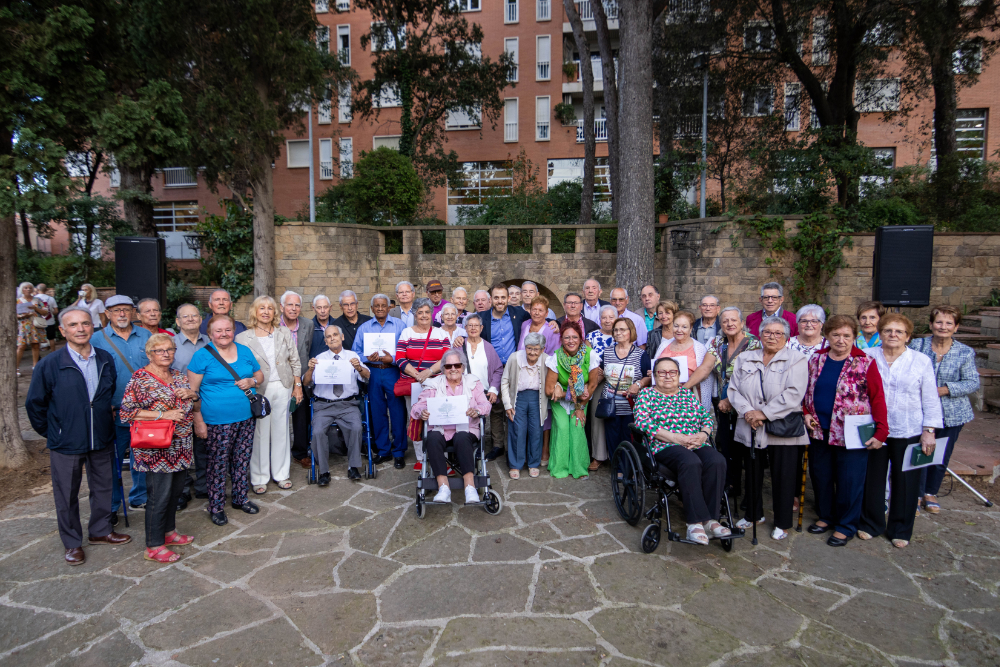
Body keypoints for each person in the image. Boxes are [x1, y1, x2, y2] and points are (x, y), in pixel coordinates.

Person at [25, 307, 131, 566]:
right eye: (73, 325)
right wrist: (54, 432)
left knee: (104, 487)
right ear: (63, 331)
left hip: (102, 436)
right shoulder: (50, 363)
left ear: (92, 327)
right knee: (67, 494)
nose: (80, 329)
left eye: (85, 323)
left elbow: (106, 395)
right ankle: (72, 543)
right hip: (66, 441)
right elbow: (34, 404)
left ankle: (100, 531)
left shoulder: (104, 358)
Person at [802, 315, 889, 547]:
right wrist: (806, 413)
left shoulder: (865, 362)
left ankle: (846, 525)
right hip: (819, 430)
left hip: (851, 433)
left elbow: (878, 398)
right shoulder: (816, 359)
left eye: (847, 336)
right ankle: (826, 516)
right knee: (821, 477)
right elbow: (806, 391)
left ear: (854, 337)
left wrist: (881, 431)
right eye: (836, 335)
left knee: (849, 480)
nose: (841, 340)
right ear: (828, 336)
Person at [859, 314, 943, 548]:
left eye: (899, 331)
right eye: (887, 330)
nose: (893, 335)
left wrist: (929, 430)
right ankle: (871, 523)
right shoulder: (868, 356)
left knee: (905, 480)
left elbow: (930, 397)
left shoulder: (921, 361)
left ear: (908, 336)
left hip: (909, 428)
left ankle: (900, 529)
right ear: (880, 333)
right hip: (875, 429)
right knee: (873, 478)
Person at [633, 357, 730, 545]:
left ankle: (710, 520)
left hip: (695, 442)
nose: (667, 376)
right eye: (662, 372)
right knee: (690, 462)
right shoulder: (646, 395)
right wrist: (676, 438)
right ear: (654, 375)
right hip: (665, 445)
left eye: (672, 372)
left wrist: (703, 434)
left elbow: (706, 417)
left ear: (679, 375)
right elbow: (643, 423)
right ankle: (694, 523)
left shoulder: (686, 395)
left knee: (717, 460)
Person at [728, 316, 809, 540]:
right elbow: (734, 389)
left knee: (783, 475)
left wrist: (764, 413)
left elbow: (794, 393)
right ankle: (754, 514)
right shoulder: (745, 358)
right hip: (750, 424)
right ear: (760, 335)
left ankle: (782, 523)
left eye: (778, 333)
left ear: (786, 336)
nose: (772, 337)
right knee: (752, 472)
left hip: (782, 427)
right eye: (767, 333)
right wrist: (748, 412)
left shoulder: (796, 359)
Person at [120, 334, 199, 563]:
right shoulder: (141, 379)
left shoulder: (178, 376)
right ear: (149, 354)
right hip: (157, 450)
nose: (166, 354)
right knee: (159, 496)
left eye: (169, 349)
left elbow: (194, 405)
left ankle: (169, 532)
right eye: (159, 350)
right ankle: (153, 546)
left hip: (181, 445)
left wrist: (192, 394)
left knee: (175, 493)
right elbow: (127, 412)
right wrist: (163, 415)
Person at [186, 315, 264, 526]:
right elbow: (192, 392)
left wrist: (252, 381)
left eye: (228, 329)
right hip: (216, 421)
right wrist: (198, 420)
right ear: (210, 333)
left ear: (233, 331)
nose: (224, 334)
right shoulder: (202, 356)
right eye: (218, 330)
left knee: (241, 460)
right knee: (217, 465)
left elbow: (260, 375)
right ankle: (216, 506)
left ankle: (240, 498)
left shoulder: (245, 351)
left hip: (246, 418)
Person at [911, 306, 980, 515]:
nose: (943, 327)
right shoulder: (917, 345)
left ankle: (931, 492)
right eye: (939, 322)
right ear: (931, 325)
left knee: (940, 454)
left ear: (956, 327)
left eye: (949, 323)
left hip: (952, 413)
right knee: (918, 451)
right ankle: (916, 492)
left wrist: (945, 389)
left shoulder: (965, 352)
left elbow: (972, 382)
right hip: (919, 410)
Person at [91, 295, 151, 521]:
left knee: (142, 457)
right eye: (116, 311)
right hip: (113, 411)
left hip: (144, 412)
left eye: (126, 310)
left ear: (134, 312)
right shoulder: (97, 340)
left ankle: (140, 496)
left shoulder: (146, 335)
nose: (122, 314)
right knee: (111, 462)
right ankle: (112, 505)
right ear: (107, 314)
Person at [235, 296, 303, 493]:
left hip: (283, 385)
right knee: (260, 433)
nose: (266, 311)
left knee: (281, 430)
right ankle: (259, 478)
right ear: (254, 312)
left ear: (275, 312)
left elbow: (294, 360)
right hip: (258, 390)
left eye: (270, 308)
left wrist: (297, 385)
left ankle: (281, 474)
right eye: (261, 308)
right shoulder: (243, 338)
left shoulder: (284, 332)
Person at [411, 349, 492, 504]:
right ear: (443, 369)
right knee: (432, 438)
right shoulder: (433, 384)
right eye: (448, 366)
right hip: (440, 429)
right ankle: (443, 488)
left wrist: (477, 411)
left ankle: (470, 487)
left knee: (461, 437)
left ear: (463, 367)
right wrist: (422, 412)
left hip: (466, 429)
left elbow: (485, 404)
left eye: (457, 365)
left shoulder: (473, 382)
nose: (453, 369)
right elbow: (417, 406)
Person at [700, 307, 760, 500]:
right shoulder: (718, 342)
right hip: (723, 405)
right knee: (725, 445)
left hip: (746, 404)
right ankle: (730, 485)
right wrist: (683, 388)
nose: (729, 324)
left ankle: (750, 497)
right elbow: (705, 368)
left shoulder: (753, 344)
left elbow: (751, 377)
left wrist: (730, 399)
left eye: (733, 320)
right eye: (725, 321)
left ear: (742, 323)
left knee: (744, 448)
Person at [305, 325, 370, 484]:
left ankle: (353, 467)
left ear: (342, 337)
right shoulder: (319, 358)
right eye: (328, 336)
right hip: (324, 406)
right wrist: (310, 369)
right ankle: (324, 471)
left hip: (348, 405)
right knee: (318, 431)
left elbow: (367, 376)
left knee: (356, 427)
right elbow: (306, 382)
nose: (332, 338)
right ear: (325, 341)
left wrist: (359, 367)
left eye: (335, 335)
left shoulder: (352, 355)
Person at [396, 298, 452, 469]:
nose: (424, 315)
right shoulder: (407, 333)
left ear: (432, 314)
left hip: (437, 383)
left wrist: (429, 372)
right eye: (420, 312)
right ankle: (421, 458)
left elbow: (447, 358)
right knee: (416, 419)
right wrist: (417, 374)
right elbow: (399, 358)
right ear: (414, 314)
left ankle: (443, 459)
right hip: (413, 383)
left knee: (440, 419)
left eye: (427, 312)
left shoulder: (441, 333)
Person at [352, 294, 407, 465]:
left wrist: (394, 357)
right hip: (373, 372)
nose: (381, 308)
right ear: (372, 308)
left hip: (393, 371)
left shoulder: (400, 325)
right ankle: (384, 450)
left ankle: (399, 451)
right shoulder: (364, 328)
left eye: (384, 305)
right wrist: (368, 357)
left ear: (389, 307)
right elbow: (356, 352)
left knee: (397, 412)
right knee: (377, 411)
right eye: (377, 306)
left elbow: (406, 350)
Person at [478, 284, 531, 461]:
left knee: (514, 406)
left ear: (508, 298)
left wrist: (554, 322)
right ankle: (498, 445)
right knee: (495, 407)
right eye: (496, 297)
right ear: (491, 299)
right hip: (492, 368)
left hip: (514, 367)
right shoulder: (482, 317)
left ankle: (514, 447)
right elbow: (472, 333)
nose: (500, 301)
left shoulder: (520, 315)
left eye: (503, 297)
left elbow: (537, 321)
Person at [545, 321, 602, 479]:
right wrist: (568, 393)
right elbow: (549, 390)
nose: (571, 341)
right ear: (561, 339)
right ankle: (560, 467)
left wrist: (580, 406)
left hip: (582, 400)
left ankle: (579, 467)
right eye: (566, 337)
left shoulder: (590, 355)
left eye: (574, 337)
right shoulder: (556, 357)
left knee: (576, 426)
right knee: (563, 428)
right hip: (560, 401)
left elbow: (592, 384)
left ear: (581, 338)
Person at [171, 304, 211, 507]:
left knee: (204, 446)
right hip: (180, 405)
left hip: (207, 402)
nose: (190, 319)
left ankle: (204, 487)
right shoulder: (171, 344)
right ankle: (183, 490)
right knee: (181, 447)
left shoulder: (210, 342)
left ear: (200, 319)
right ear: (178, 321)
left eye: (194, 315)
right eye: (185, 316)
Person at [599, 318, 651, 467]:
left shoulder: (641, 354)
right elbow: (601, 373)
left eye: (622, 330)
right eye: (616, 330)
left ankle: (629, 467)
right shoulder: (607, 352)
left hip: (630, 405)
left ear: (631, 332)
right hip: (610, 404)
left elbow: (648, 376)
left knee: (629, 437)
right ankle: (617, 468)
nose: (618, 333)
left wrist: (638, 384)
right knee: (612, 436)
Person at [501, 332, 549, 479]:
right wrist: (508, 404)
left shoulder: (547, 360)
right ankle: (515, 464)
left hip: (537, 398)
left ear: (542, 349)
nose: (532, 352)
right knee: (517, 430)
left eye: (536, 349)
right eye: (529, 348)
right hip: (518, 398)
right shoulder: (515, 358)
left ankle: (533, 463)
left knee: (536, 430)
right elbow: (505, 381)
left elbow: (554, 379)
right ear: (525, 347)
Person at [279, 291, 315, 470]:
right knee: (277, 417)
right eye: (289, 305)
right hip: (278, 379)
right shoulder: (273, 325)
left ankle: (299, 453)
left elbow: (309, 349)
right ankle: (277, 453)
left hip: (301, 377)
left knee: (301, 418)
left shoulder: (308, 324)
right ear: (281, 307)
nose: (293, 309)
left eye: (297, 305)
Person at [655, 311, 714, 411]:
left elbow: (705, 375)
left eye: (684, 327)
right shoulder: (664, 345)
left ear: (691, 329)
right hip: (662, 397)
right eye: (676, 326)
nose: (679, 330)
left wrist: (682, 389)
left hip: (689, 399)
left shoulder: (699, 349)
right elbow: (655, 367)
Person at [456, 313, 503, 416]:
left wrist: (493, 389)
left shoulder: (488, 347)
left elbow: (498, 369)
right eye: (470, 325)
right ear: (465, 328)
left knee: (484, 428)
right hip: (462, 395)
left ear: (481, 328)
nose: (473, 328)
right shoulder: (458, 346)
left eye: (476, 325)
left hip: (483, 395)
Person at [16, 281, 47, 376]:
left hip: (35, 325)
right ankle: (15, 368)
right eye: (26, 288)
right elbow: (15, 314)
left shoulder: (37, 300)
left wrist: (35, 308)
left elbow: (45, 312)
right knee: (21, 346)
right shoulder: (18, 301)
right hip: (24, 326)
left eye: (30, 288)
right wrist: (21, 316)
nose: (28, 289)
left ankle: (35, 367)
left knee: (35, 345)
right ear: (22, 289)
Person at [34, 283, 58, 351]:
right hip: (49, 321)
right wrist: (50, 312)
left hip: (38, 322)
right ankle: (53, 353)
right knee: (51, 338)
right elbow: (56, 311)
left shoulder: (34, 299)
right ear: (46, 290)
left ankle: (37, 356)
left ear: (37, 289)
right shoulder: (51, 298)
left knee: (37, 339)